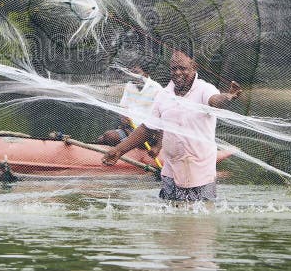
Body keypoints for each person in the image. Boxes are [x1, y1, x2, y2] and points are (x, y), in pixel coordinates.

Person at [102, 49, 241, 201]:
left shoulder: (204, 89)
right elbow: (148, 128)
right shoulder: (164, 95)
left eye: (183, 68)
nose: (178, 72)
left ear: (194, 67)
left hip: (200, 172)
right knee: (171, 217)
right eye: (174, 69)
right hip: (171, 171)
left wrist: (228, 97)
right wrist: (118, 151)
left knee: (200, 219)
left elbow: (215, 101)